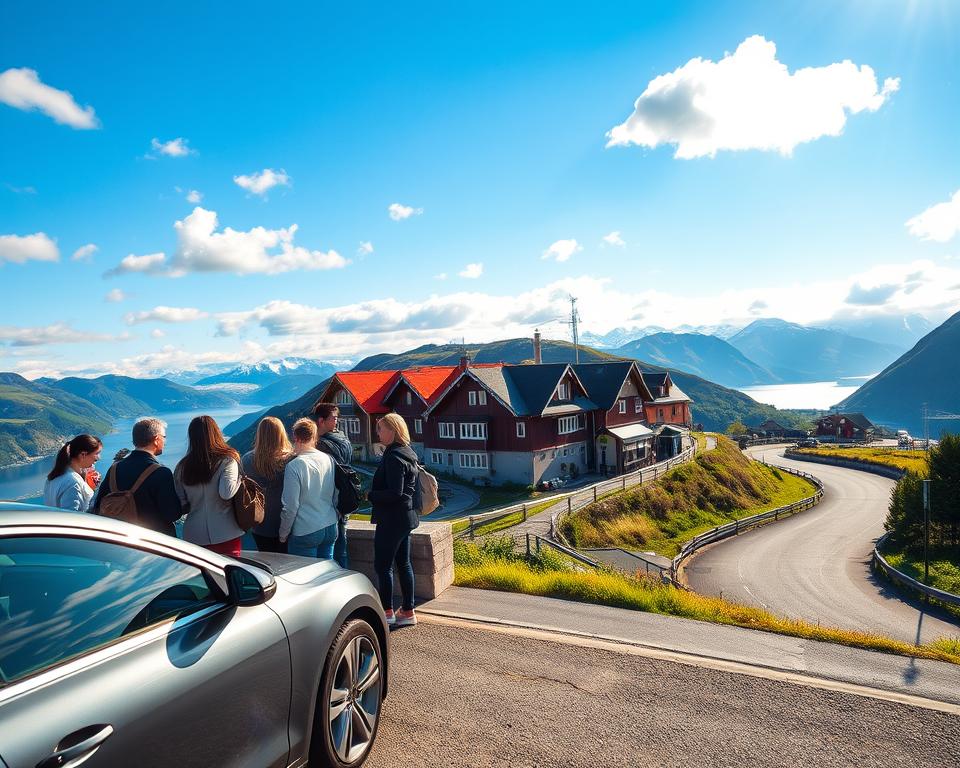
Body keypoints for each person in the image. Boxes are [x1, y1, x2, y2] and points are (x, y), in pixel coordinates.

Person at [368, 413, 420, 627]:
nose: (377, 433)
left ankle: (387, 612)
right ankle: (408, 610)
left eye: (380, 429)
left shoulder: (393, 457)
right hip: (406, 517)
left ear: (392, 431)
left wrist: (370, 495)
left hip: (391, 519)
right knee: (404, 564)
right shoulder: (408, 452)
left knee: (383, 566)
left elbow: (394, 492)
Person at [93, 418, 182, 535]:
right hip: (155, 542)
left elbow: (98, 504)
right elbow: (172, 514)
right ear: (156, 439)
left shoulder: (114, 469)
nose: (165, 441)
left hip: (121, 539)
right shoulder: (161, 473)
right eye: (164, 437)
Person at [174, 415, 243, 557]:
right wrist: (240, 479)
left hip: (194, 535)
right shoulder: (227, 460)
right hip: (226, 532)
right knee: (230, 575)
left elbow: (181, 503)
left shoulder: (182, 467)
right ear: (216, 433)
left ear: (192, 437)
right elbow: (226, 493)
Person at [279, 418, 338, 560]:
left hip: (306, 529)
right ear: (314, 436)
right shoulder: (328, 459)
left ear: (295, 437)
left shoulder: (295, 465)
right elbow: (336, 493)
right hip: (330, 524)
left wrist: (283, 534)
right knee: (326, 575)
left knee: (304, 578)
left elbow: (291, 506)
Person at [241, 416, 292, 553]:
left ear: (259, 434)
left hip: (261, 523)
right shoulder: (291, 460)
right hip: (288, 522)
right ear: (281, 434)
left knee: (267, 561)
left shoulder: (247, 460)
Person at [313, 401, 354, 568]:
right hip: (344, 494)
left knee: (334, 548)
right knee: (340, 546)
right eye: (334, 418)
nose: (336, 422)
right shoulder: (342, 438)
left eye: (336, 418)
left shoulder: (322, 445)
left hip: (330, 498)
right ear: (321, 420)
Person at [43, 434, 103, 511]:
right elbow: (72, 517)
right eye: (97, 453)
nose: (99, 458)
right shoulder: (73, 483)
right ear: (83, 455)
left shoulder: (54, 477)